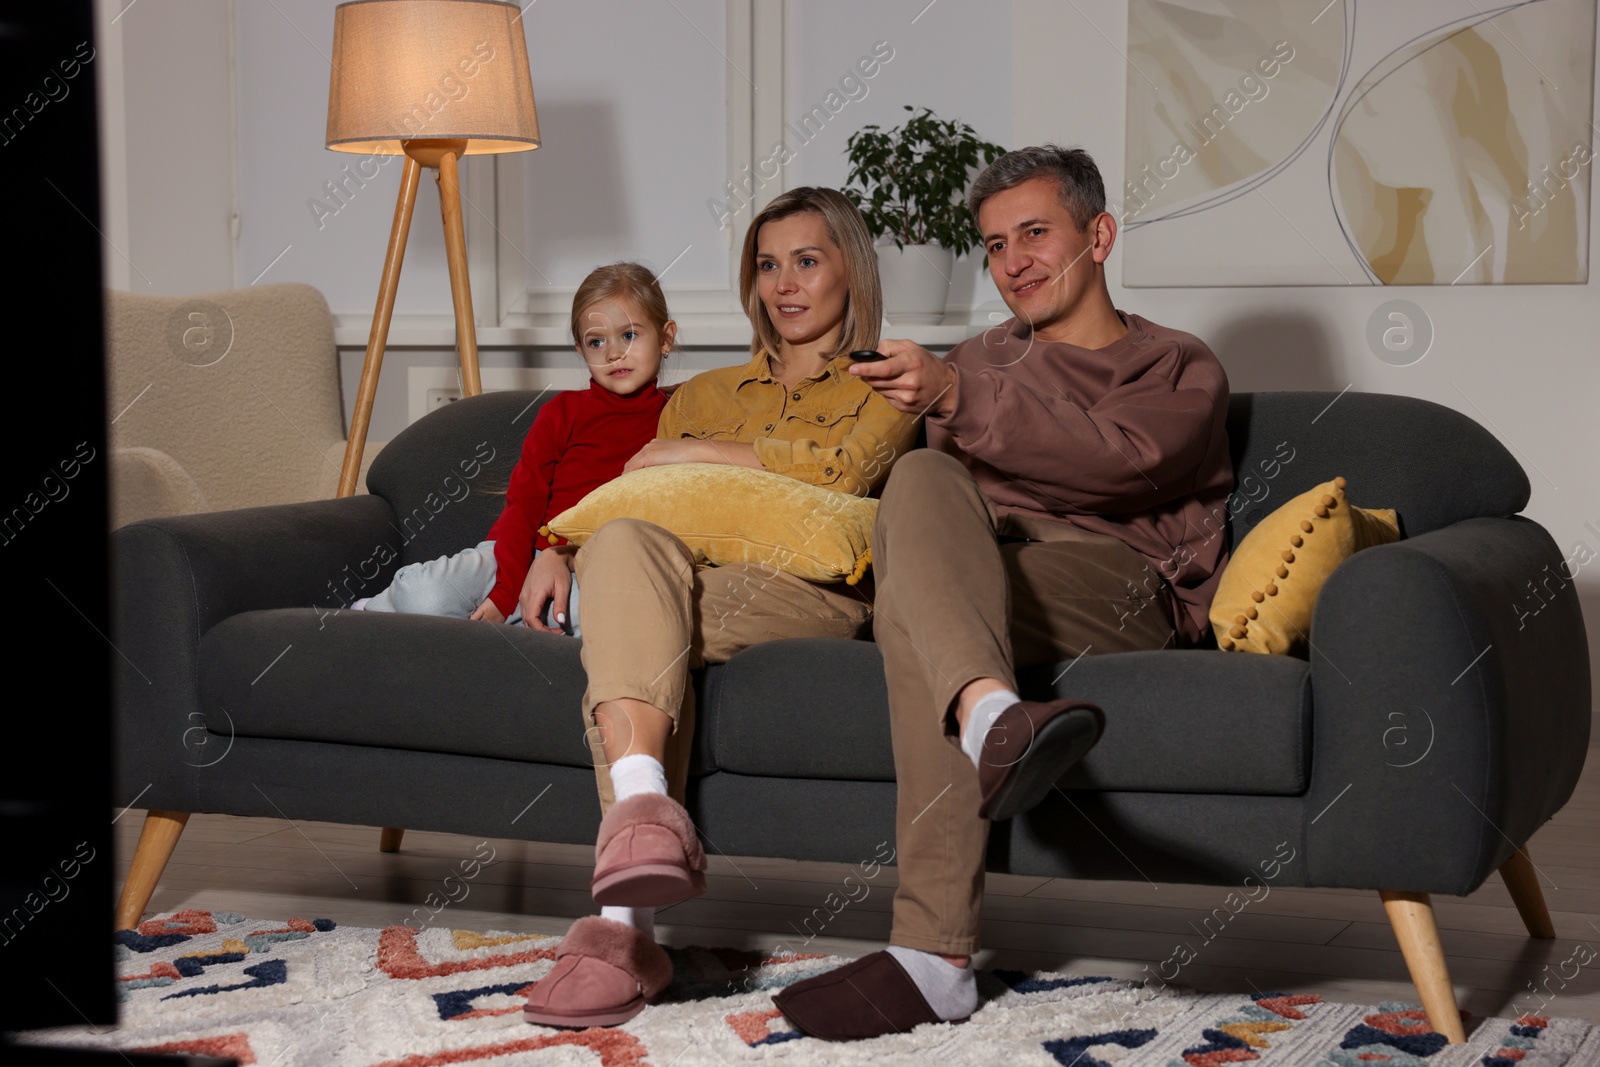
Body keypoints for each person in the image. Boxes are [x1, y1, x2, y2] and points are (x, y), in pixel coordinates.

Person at [772, 146, 1236, 1040]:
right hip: (977, 578)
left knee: (919, 598)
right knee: (913, 490)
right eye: (993, 245)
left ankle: (932, 948)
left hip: (1115, 578)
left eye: (1034, 233)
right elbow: (916, 510)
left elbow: (1121, 463)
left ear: (1097, 235)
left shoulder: (1177, 364)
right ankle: (991, 716)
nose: (1013, 261)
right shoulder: (979, 356)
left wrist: (953, 391)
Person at [521, 187, 921, 1029]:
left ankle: (625, 934)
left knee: (634, 624)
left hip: (807, 589)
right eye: (767, 265)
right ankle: (640, 815)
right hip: (679, 574)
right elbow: (634, 490)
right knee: (625, 545)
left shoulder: (887, 384)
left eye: (807, 261)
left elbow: (841, 475)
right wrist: (553, 548)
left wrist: (700, 451)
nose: (784, 283)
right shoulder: (702, 390)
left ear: (851, 269)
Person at [357, 263, 673, 635]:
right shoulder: (562, 413)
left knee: (590, 622)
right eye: (596, 341)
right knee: (422, 596)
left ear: (665, 338)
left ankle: (517, 625)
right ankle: (364, 613)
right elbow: (523, 505)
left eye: (630, 335)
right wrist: (506, 592)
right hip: (512, 555)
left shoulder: (677, 419)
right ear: (579, 349)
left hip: (591, 566)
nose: (614, 353)